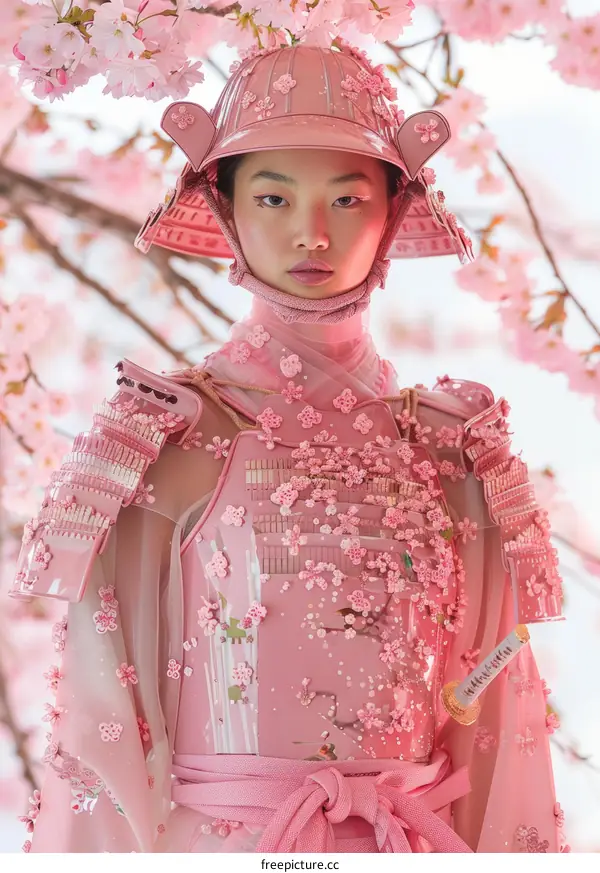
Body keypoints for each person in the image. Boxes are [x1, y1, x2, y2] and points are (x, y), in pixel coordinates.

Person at [12, 40, 566, 854]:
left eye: (347, 200)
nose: (311, 232)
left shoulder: (461, 450)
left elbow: (496, 710)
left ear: (395, 210)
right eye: (274, 198)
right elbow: (101, 730)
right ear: (227, 208)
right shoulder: (164, 431)